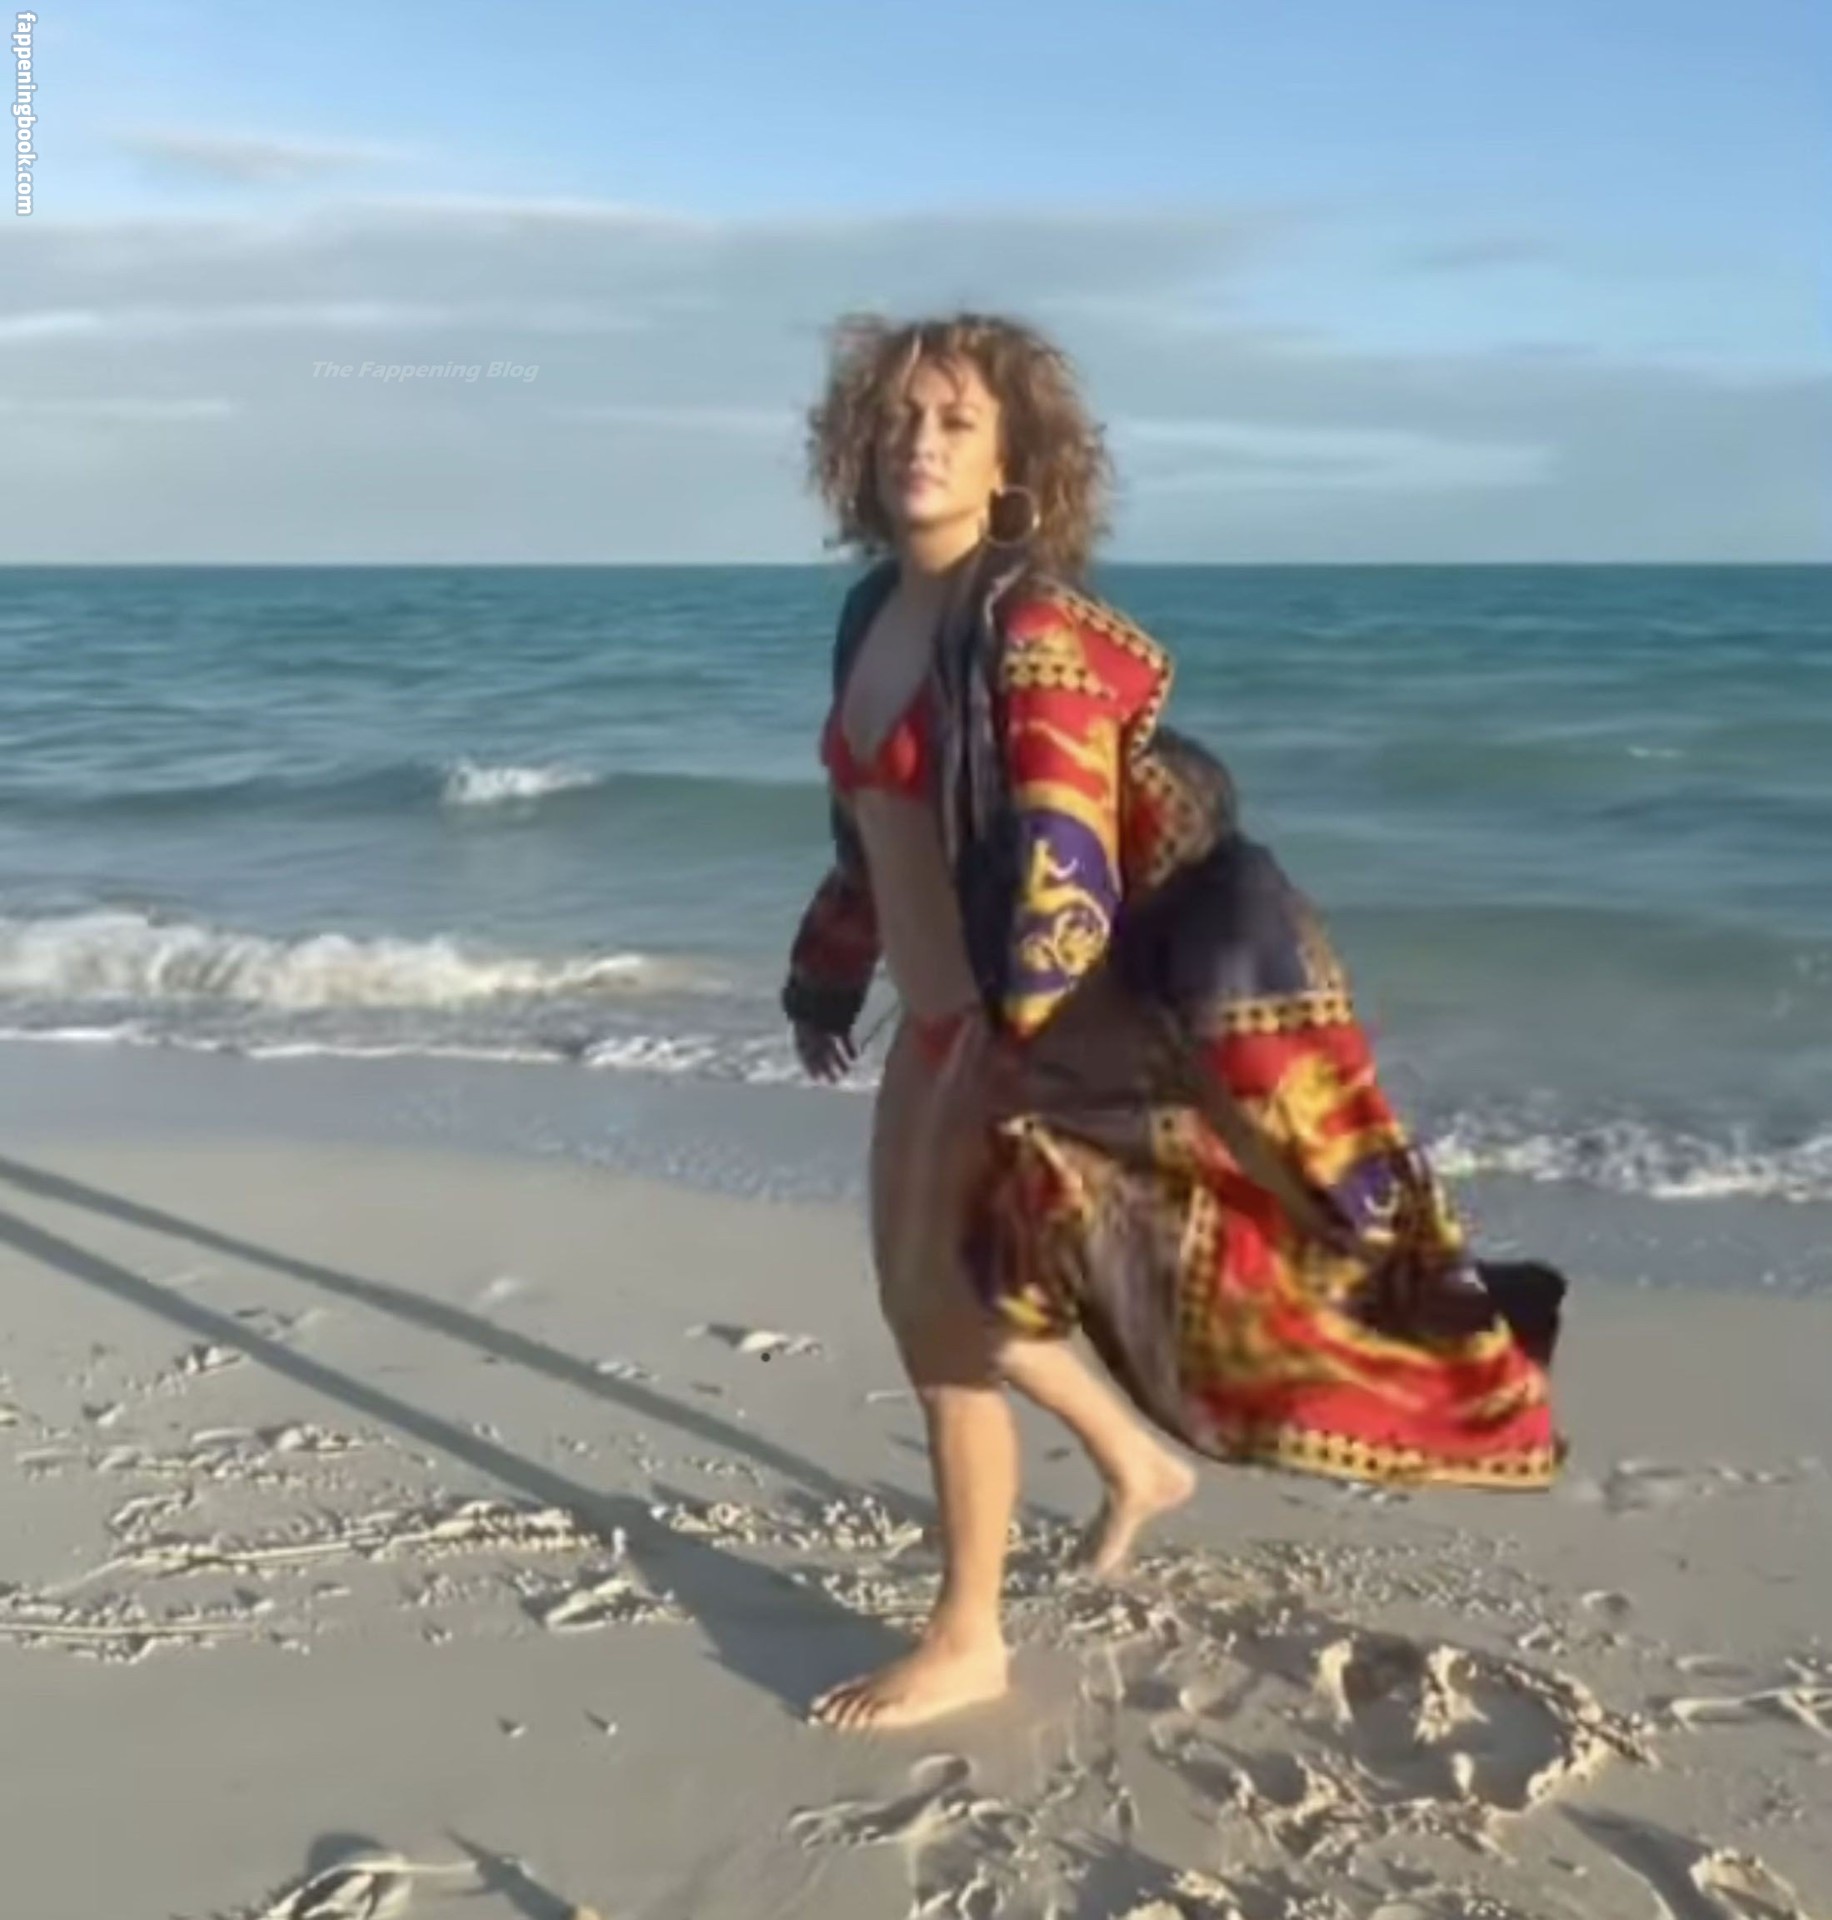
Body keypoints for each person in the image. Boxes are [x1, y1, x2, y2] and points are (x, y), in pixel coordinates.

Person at [782, 313, 1566, 1734]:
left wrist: (1024, 1038)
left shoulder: (1028, 629)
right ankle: (1137, 1465)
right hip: (931, 1022)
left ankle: (968, 1639)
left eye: (956, 421)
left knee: (950, 1333)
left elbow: (1067, 853)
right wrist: (829, 970)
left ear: (1014, 463)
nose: (919, 444)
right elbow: (869, 830)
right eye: (898, 418)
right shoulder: (871, 614)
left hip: (1021, 1029)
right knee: (924, 1300)